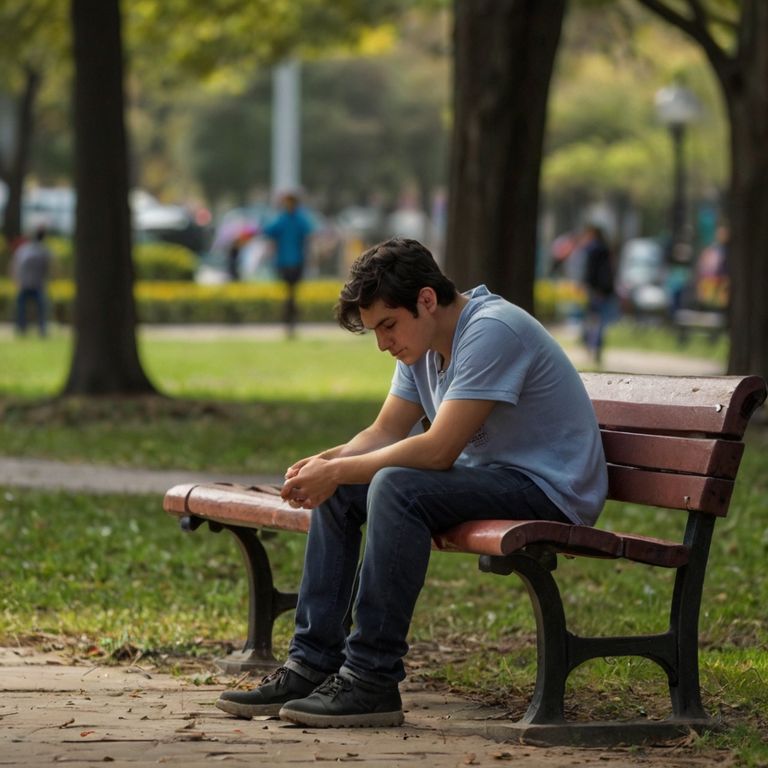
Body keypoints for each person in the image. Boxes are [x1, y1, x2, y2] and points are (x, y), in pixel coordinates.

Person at [216, 237, 608, 728]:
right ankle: (311, 665)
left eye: (387, 325)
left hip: (551, 491)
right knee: (349, 489)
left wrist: (337, 470)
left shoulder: (491, 330)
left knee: (396, 486)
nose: (382, 342)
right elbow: (383, 432)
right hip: (494, 478)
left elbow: (438, 449)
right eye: (375, 330)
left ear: (426, 300)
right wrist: (325, 463)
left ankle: (371, 679)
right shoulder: (420, 346)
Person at [263, 192, 314, 337]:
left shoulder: (293, 219)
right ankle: (290, 321)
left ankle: (290, 320)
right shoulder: (287, 219)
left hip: (295, 261)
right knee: (290, 292)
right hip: (287, 261)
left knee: (291, 292)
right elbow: (268, 231)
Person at [579, 224, 615, 365]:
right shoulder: (605, 249)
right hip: (604, 290)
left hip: (596, 290)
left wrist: (586, 284)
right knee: (600, 321)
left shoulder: (593, 249)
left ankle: (589, 345)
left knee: (591, 320)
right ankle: (596, 348)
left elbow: (591, 271)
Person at [12, 226, 53, 337]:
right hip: (28, 284)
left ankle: (40, 329)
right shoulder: (40, 250)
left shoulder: (26, 250)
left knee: (39, 307)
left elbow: (16, 266)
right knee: (26, 308)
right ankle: (24, 329)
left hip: (34, 284)